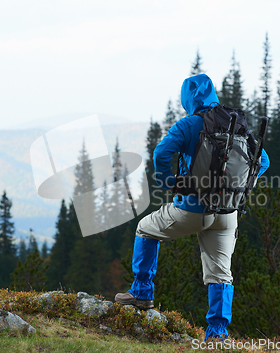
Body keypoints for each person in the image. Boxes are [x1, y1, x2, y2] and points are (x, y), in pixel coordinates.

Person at [115, 73, 270, 341]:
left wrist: (170, 182)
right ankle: (218, 335)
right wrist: (240, 187)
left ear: (187, 98)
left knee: (146, 229)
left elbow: (161, 152)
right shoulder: (236, 126)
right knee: (221, 273)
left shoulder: (189, 124)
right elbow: (263, 160)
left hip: (193, 209)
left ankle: (141, 292)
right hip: (228, 213)